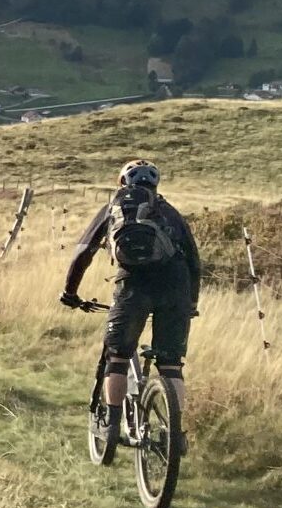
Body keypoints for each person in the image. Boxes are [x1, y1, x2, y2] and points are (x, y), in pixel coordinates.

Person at [60, 159, 201, 430]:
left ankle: (112, 425)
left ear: (122, 182)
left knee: (118, 356)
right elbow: (195, 261)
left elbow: (83, 252)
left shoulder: (114, 207)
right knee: (171, 364)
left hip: (133, 286)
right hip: (175, 286)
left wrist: (70, 292)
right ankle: (176, 432)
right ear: (155, 184)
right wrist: (191, 302)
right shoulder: (170, 212)